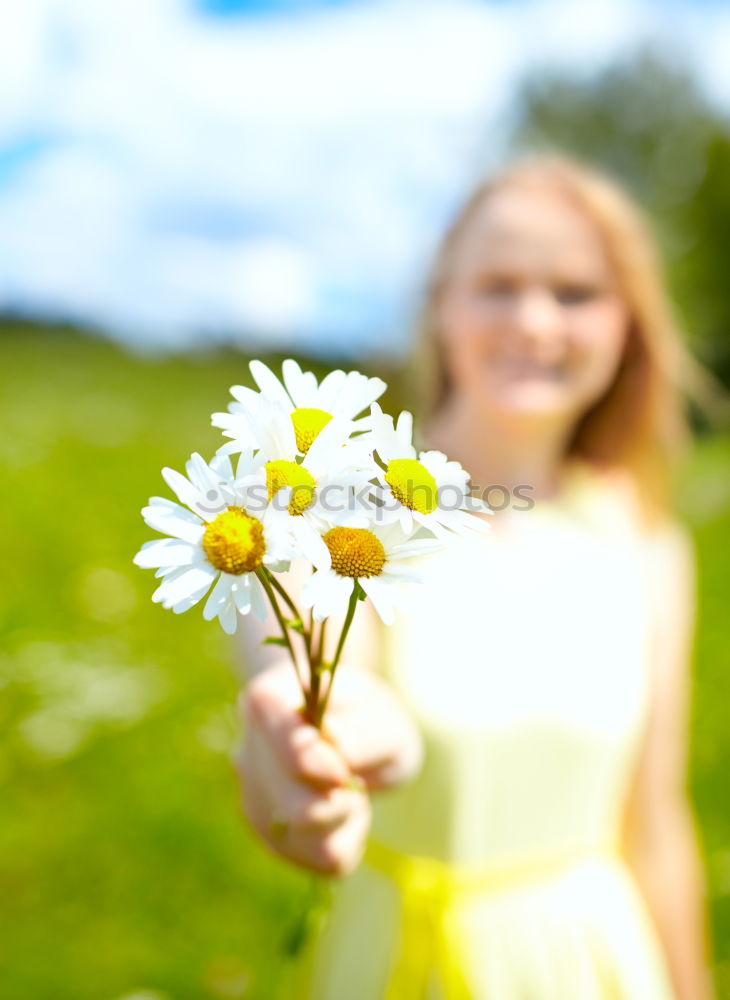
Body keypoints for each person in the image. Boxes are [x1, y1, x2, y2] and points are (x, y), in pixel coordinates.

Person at [236, 156, 716, 1000]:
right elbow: (303, 661)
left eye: (575, 292)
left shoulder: (647, 543)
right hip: (399, 964)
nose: (535, 319)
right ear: (441, 307)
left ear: (628, 325)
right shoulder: (333, 503)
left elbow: (654, 822)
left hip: (595, 962)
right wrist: (311, 735)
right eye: (498, 284)